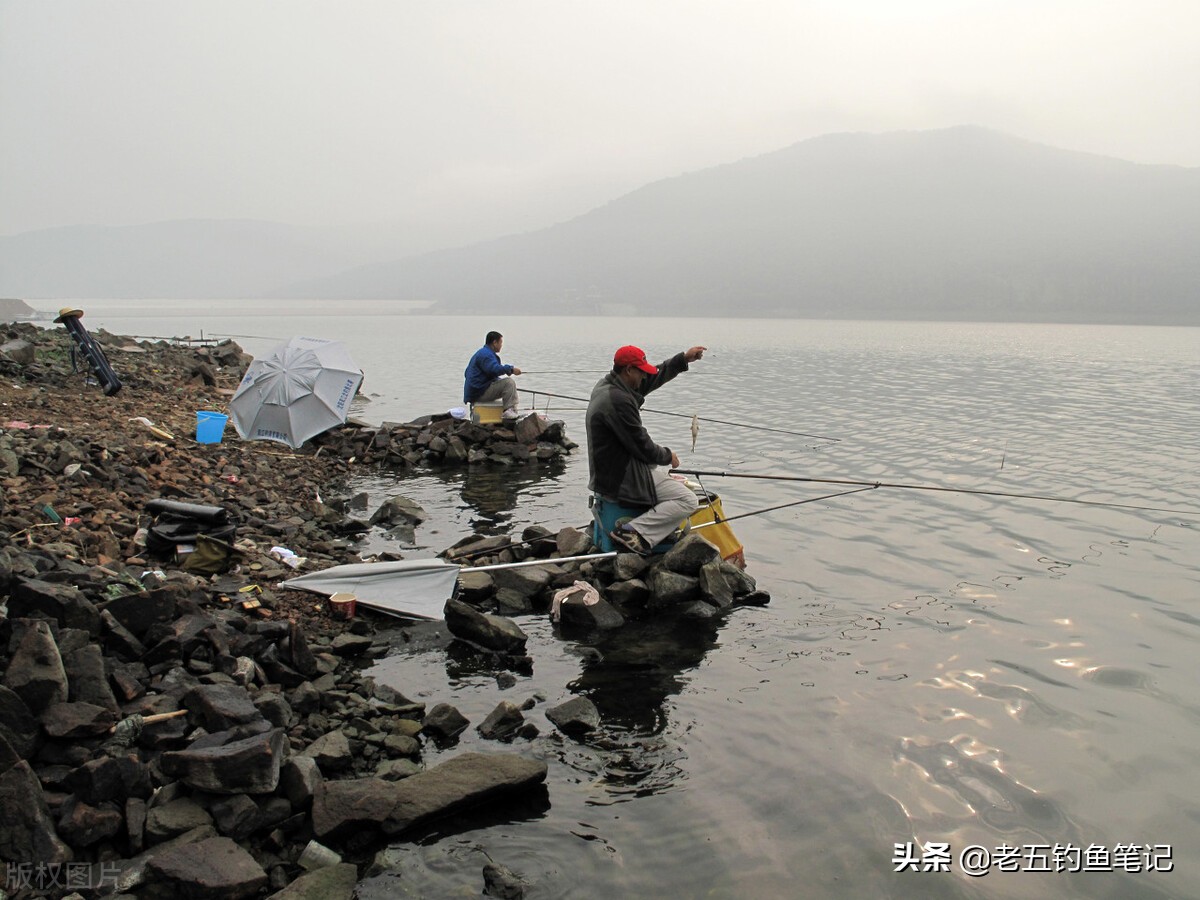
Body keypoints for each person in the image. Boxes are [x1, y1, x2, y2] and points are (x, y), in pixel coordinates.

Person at [586, 343, 707, 555]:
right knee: (687, 499)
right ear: (629, 370)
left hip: (610, 471)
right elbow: (644, 446)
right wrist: (669, 455)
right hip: (619, 478)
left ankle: (645, 530)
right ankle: (633, 533)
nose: (644, 377)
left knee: (663, 479)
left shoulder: (609, 385)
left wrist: (683, 360)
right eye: (641, 371)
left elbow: (652, 378)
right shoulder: (619, 401)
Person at [463, 331, 522, 419]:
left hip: (475, 393)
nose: (501, 345)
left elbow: (468, 373)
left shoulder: (482, 353)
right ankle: (509, 411)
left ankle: (511, 410)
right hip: (478, 393)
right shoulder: (486, 355)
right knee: (509, 383)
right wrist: (511, 369)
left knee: (506, 384)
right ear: (494, 343)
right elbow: (494, 369)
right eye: (500, 342)